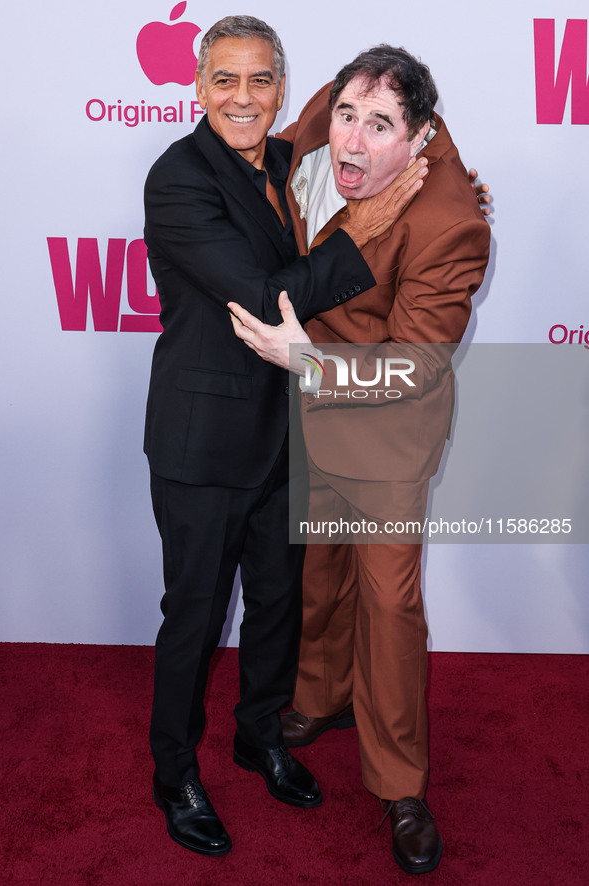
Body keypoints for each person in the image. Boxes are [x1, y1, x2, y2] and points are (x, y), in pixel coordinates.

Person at [142, 17, 427, 857]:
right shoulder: (177, 178)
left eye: (260, 80)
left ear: (279, 87)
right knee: (193, 616)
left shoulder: (282, 162)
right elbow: (267, 298)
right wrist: (365, 232)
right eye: (224, 80)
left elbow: (381, 159)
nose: (242, 97)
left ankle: (257, 734)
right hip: (202, 439)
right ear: (197, 87)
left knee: (276, 606)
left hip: (287, 433)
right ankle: (174, 773)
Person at [229, 45, 491, 874]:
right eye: (348, 115)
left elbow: (415, 369)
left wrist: (303, 360)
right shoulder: (324, 121)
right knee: (318, 571)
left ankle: (400, 783)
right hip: (311, 404)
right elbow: (280, 142)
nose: (352, 140)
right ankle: (318, 698)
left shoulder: (453, 223)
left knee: (386, 600)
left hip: (386, 424)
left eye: (380, 127)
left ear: (418, 140)